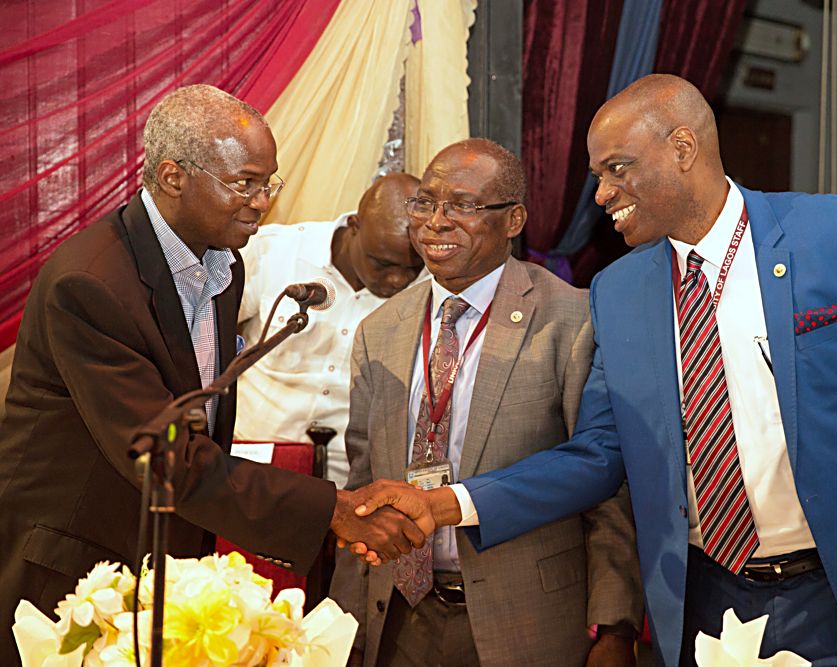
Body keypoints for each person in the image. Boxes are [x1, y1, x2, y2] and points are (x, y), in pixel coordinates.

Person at [352, 75, 837, 667]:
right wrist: (445, 504)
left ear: (683, 148)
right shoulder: (618, 291)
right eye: (597, 176)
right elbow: (597, 455)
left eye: (616, 169)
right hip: (703, 596)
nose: (600, 195)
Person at [0, 84, 422, 662]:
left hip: (163, 558)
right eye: (244, 183)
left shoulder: (223, 266)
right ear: (173, 177)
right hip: (74, 569)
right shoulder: (91, 285)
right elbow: (166, 456)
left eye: (267, 182)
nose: (261, 201)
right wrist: (334, 510)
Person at [331, 138, 643, 666]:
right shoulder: (378, 330)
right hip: (401, 618)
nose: (436, 221)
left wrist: (616, 629)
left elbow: (607, 486)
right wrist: (345, 626)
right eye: (425, 202)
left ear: (514, 219)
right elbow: (361, 484)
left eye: (464, 205)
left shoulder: (573, 321)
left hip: (526, 621)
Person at [235, 172, 425, 485]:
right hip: (251, 464)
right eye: (383, 264)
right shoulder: (277, 252)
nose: (397, 280)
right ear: (355, 226)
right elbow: (204, 339)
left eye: (411, 268)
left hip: (349, 484)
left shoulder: (429, 291)